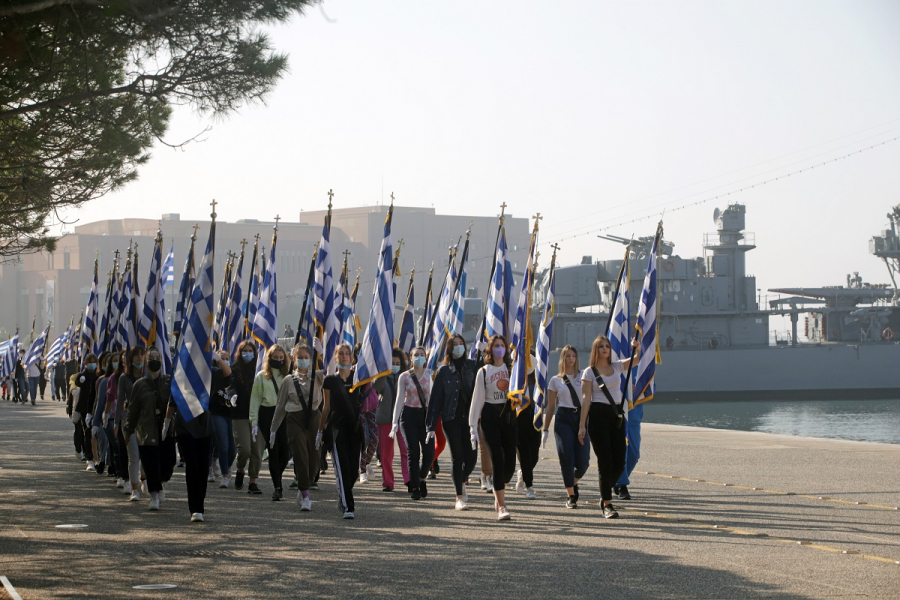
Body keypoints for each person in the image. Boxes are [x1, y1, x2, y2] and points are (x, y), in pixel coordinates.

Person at [578, 335, 640, 519]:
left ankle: (604, 492)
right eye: (601, 346)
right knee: (605, 462)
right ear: (595, 350)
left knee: (620, 462)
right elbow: (585, 399)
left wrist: (638, 346)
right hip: (597, 417)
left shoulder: (617, 366)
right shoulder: (589, 372)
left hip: (616, 416)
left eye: (607, 346)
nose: (605, 349)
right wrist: (582, 425)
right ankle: (607, 504)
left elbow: (636, 360)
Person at [427, 334, 478, 510]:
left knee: (471, 457)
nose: (458, 347)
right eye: (454, 344)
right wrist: (431, 426)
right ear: (449, 348)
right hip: (451, 419)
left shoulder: (473, 366)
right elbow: (436, 400)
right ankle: (459, 496)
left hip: (470, 419)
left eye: (461, 343)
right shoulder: (443, 371)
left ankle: (462, 479)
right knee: (458, 456)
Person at [271, 343, 324, 511]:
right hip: (294, 419)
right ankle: (306, 494)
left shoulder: (317, 376)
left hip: (314, 419)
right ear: (294, 359)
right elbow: (280, 406)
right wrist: (273, 429)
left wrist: (322, 353)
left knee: (313, 460)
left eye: (306, 358)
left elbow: (333, 371)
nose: (302, 360)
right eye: (299, 358)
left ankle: (305, 485)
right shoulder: (288, 381)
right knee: (300, 455)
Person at [123, 347, 177, 511]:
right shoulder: (139, 385)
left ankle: (161, 483)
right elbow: (133, 410)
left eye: (157, 357)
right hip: (146, 431)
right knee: (150, 463)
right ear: (146, 362)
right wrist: (128, 429)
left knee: (168, 463)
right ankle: (154, 495)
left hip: (167, 430)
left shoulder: (169, 382)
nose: (155, 360)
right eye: (151, 357)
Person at [469, 334, 515, 521]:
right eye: (496, 345)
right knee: (497, 458)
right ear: (490, 349)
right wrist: (473, 427)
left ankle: (499, 488)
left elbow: (534, 364)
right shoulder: (484, 371)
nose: (499, 348)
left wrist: (520, 346)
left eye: (502, 345)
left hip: (509, 417)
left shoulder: (513, 369)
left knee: (509, 464)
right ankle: (501, 505)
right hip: (489, 417)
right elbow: (477, 400)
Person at [321, 343, 364, 519]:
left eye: (348, 354)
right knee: (342, 468)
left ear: (353, 358)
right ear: (335, 357)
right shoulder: (329, 380)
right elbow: (326, 407)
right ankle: (348, 507)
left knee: (353, 471)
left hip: (355, 428)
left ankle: (344, 494)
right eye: (341, 354)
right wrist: (320, 430)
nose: (345, 356)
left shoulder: (359, 378)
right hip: (337, 427)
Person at [543, 345, 589, 509]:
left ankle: (572, 481)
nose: (571, 359)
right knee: (566, 458)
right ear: (562, 359)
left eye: (573, 356)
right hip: (563, 419)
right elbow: (550, 407)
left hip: (581, 419)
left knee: (583, 463)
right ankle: (571, 495)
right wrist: (545, 429)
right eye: (567, 356)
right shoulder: (555, 380)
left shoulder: (584, 375)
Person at [167, 375, 213, 523]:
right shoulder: (181, 373)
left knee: (203, 467)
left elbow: (227, 375)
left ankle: (200, 502)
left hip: (204, 425)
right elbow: (172, 400)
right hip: (184, 425)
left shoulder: (209, 373)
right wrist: (167, 422)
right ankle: (196, 508)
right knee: (192, 465)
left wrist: (217, 358)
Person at [390, 346, 433, 501]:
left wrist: (434, 421)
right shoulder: (405, 376)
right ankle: (415, 487)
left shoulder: (430, 375)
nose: (419, 357)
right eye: (416, 355)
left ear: (426, 358)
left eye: (422, 355)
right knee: (413, 452)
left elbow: (433, 399)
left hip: (426, 417)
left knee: (429, 452)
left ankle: (422, 478)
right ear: (410, 358)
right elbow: (400, 399)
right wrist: (394, 422)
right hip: (408, 416)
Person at [249, 344, 290, 500]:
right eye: (275, 358)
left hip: (284, 414)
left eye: (281, 358)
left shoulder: (288, 375)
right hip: (267, 414)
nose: (278, 360)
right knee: (273, 450)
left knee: (285, 453)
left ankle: (276, 475)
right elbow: (255, 399)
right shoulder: (261, 376)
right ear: (269, 358)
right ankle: (277, 488)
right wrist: (254, 421)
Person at [228, 340, 262, 493]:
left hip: (258, 415)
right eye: (245, 350)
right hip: (240, 414)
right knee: (245, 449)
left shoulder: (259, 368)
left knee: (257, 450)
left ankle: (253, 482)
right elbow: (230, 384)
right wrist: (232, 395)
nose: (248, 353)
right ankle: (240, 468)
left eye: (250, 350)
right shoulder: (234, 368)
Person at [374, 349, 409, 493]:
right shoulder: (383, 377)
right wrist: (383, 372)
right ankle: (388, 482)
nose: (395, 366)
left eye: (397, 363)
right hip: (385, 419)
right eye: (392, 363)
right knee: (386, 454)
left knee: (406, 451)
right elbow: (376, 388)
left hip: (403, 419)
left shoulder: (406, 377)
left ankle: (409, 479)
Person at [117, 347, 145, 500]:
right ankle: (134, 489)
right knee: (133, 455)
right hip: (129, 418)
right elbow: (120, 399)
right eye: (137, 355)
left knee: (145, 453)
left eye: (142, 354)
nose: (140, 358)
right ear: (131, 358)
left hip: (146, 420)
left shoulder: (148, 376)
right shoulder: (124, 378)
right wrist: (116, 423)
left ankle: (145, 480)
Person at [208, 350, 235, 489]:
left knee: (233, 449)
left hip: (232, 414)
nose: (224, 361)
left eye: (226, 359)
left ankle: (228, 467)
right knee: (223, 445)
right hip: (217, 413)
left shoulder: (233, 373)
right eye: (221, 359)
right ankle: (225, 475)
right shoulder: (214, 372)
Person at [514, 359, 540, 499]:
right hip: (519, 418)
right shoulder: (515, 378)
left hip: (534, 417)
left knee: (534, 456)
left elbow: (544, 399)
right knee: (524, 453)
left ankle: (523, 474)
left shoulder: (538, 379)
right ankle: (530, 487)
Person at [74, 353, 99, 471]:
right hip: (84, 408)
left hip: (96, 407)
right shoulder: (83, 375)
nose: (92, 365)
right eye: (90, 362)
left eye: (94, 362)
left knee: (97, 433)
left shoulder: (98, 376)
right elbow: (77, 381)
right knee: (87, 432)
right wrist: (82, 377)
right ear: (85, 364)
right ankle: (89, 458)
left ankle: (98, 457)